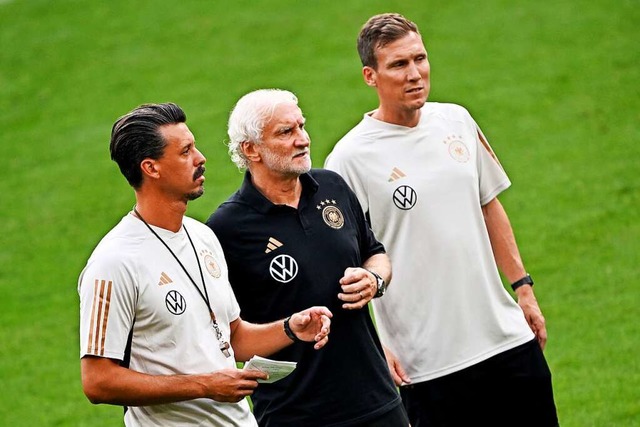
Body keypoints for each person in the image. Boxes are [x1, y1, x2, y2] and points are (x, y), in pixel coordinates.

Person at [324, 13, 559, 427]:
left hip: (506, 340)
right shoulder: (348, 160)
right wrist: (377, 346)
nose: (415, 73)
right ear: (370, 76)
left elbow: (489, 205)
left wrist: (523, 289)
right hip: (428, 365)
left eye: (420, 58)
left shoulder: (456, 120)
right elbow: (343, 266)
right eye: (398, 64)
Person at [78, 102, 332, 426]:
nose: (200, 158)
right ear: (151, 168)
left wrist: (289, 328)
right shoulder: (114, 263)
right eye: (185, 152)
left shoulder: (203, 237)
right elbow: (98, 381)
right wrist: (205, 385)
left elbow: (231, 336)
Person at [206, 89, 409, 427]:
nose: (302, 139)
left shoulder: (333, 187)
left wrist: (373, 281)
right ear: (250, 149)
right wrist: (288, 328)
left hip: (376, 399)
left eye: (301, 126)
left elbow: (375, 254)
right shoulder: (227, 229)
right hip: (295, 414)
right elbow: (226, 336)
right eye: (286, 132)